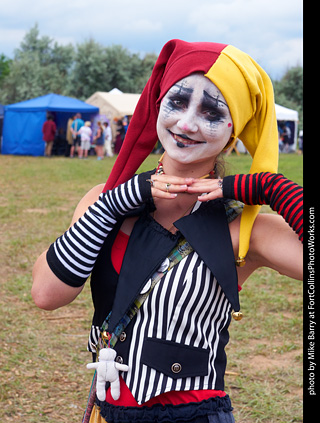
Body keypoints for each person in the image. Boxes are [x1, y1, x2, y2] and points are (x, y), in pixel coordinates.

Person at [32, 40, 303, 423]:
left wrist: (271, 188)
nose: (187, 123)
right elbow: (46, 294)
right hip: (108, 414)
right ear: (158, 105)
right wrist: (113, 203)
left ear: (233, 131)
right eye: (178, 102)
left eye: (211, 111)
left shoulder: (244, 228)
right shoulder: (106, 199)